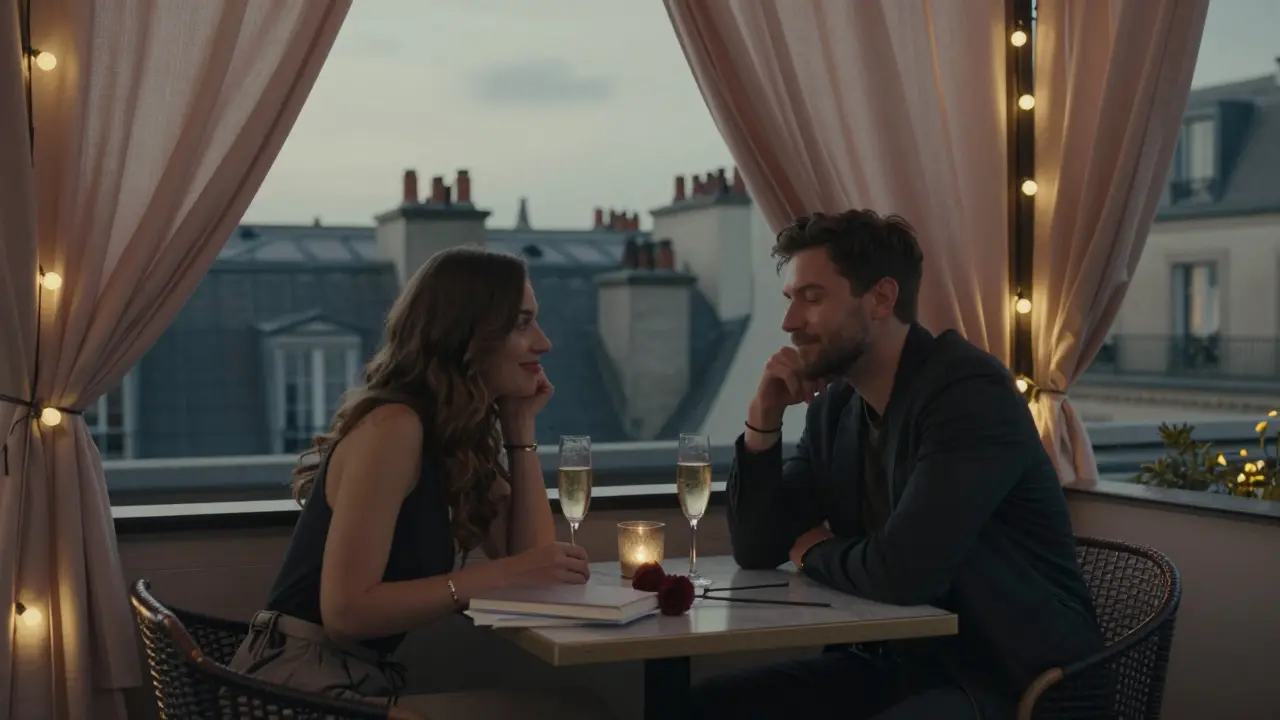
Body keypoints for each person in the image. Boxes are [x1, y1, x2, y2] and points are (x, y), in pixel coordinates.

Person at [690, 211, 1104, 719]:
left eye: (812, 297)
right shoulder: (836, 407)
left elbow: (904, 573)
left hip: (1009, 678)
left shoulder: (968, 393)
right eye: (790, 299)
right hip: (894, 664)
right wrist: (763, 423)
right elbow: (757, 547)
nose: (789, 322)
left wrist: (812, 547)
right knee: (703, 708)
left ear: (882, 298)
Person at [228, 247, 614, 719]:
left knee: (577, 708)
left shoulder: (453, 432)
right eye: (521, 323)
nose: (544, 342)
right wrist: (501, 576)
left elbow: (529, 565)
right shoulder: (394, 427)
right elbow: (346, 613)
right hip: (295, 688)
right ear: (467, 336)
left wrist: (519, 428)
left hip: (346, 678)